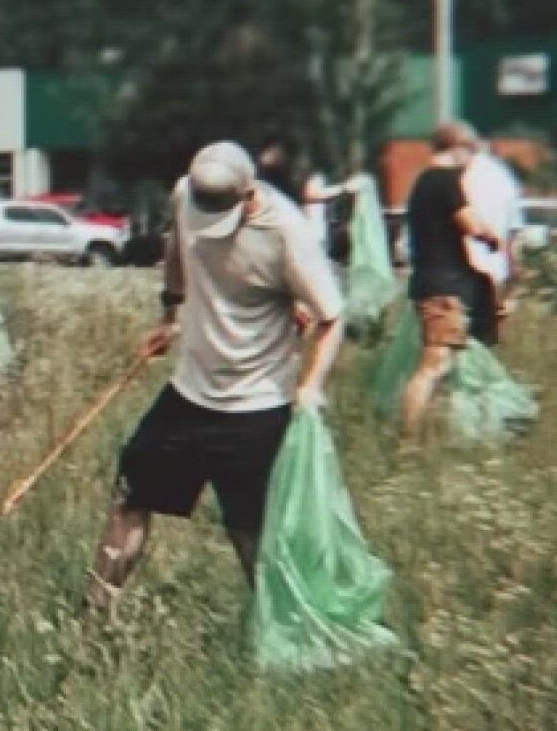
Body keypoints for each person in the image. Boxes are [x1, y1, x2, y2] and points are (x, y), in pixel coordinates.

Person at [88, 141, 345, 612]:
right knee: (130, 498)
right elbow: (176, 250)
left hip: (256, 404)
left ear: (249, 195)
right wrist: (170, 311)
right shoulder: (188, 195)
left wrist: (310, 387)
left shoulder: (288, 234)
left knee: (247, 528)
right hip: (189, 392)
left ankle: (275, 628)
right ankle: (90, 619)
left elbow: (332, 317)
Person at [399, 121, 505, 440]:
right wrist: (492, 236)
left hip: (436, 282)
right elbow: (470, 224)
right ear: (461, 148)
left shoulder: (424, 182)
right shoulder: (443, 180)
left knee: (446, 365)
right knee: (434, 364)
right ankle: (409, 441)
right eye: (471, 154)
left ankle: (434, 433)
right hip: (444, 288)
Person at [461, 140, 526, 343]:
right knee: (487, 339)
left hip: (458, 269)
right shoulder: (504, 179)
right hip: (494, 270)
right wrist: (513, 273)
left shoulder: (455, 177)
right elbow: (513, 234)